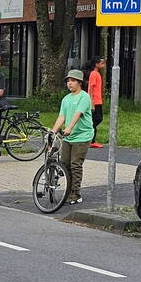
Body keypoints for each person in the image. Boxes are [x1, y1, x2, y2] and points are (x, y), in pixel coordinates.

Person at [49, 69, 94, 205]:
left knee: (75, 164)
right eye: (68, 81)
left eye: (73, 81)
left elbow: (78, 114)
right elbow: (62, 116)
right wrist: (53, 131)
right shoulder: (66, 99)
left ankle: (76, 194)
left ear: (79, 83)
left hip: (82, 135)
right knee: (64, 164)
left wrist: (69, 128)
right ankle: (68, 192)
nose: (70, 83)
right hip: (68, 137)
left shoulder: (84, 97)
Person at [85, 57, 105, 148]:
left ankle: (91, 139)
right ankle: (90, 139)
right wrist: (91, 102)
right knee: (96, 119)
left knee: (98, 119)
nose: (103, 64)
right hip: (95, 101)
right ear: (96, 64)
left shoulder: (97, 74)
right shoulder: (94, 74)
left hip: (98, 101)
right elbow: (90, 88)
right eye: (101, 63)